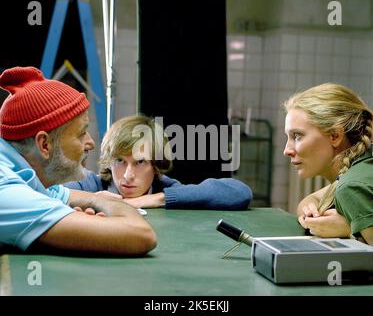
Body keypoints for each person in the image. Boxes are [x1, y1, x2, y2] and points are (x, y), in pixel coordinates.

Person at [0, 66, 156, 255]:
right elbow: (141, 235)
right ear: (44, 145)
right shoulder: (6, 191)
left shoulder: (24, 173)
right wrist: (101, 209)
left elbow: (65, 195)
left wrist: (93, 201)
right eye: (81, 133)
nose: (90, 143)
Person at [64, 115, 253, 209]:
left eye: (139, 163)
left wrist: (158, 199)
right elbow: (45, 195)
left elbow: (240, 193)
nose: (128, 176)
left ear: (156, 166)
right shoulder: (92, 185)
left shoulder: (166, 188)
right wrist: (93, 200)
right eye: (120, 161)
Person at [283, 83, 373, 244]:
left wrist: (349, 230)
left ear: (334, 136)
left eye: (297, 136)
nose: (287, 150)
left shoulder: (352, 187)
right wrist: (311, 208)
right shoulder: (362, 165)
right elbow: (313, 198)